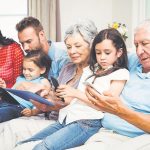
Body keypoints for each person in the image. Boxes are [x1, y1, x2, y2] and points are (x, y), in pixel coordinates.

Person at [15, 27, 129, 150]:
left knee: (42, 147)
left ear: (119, 52)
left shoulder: (120, 73)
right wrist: (53, 92)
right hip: (66, 118)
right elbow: (69, 99)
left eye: (107, 53)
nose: (102, 57)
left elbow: (107, 105)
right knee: (23, 144)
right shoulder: (92, 69)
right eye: (98, 52)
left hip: (86, 122)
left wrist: (75, 93)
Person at [0, 19, 98, 150]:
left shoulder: (68, 62)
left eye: (77, 46)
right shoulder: (68, 68)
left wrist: (48, 99)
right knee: (20, 143)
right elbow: (56, 96)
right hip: (53, 115)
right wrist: (43, 95)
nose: (25, 48)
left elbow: (69, 102)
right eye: (68, 47)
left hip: (71, 120)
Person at [67, 20, 150, 150]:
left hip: (139, 138)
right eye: (136, 45)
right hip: (107, 133)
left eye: (145, 44)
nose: (139, 51)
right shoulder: (134, 61)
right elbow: (105, 51)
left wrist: (121, 111)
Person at [0, 50, 51, 122]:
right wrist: (4, 88)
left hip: (19, 106)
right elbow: (13, 92)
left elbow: (45, 95)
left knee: (2, 113)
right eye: (24, 69)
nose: (26, 73)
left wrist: (33, 111)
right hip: (5, 101)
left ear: (42, 70)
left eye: (30, 70)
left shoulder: (42, 81)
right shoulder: (20, 78)